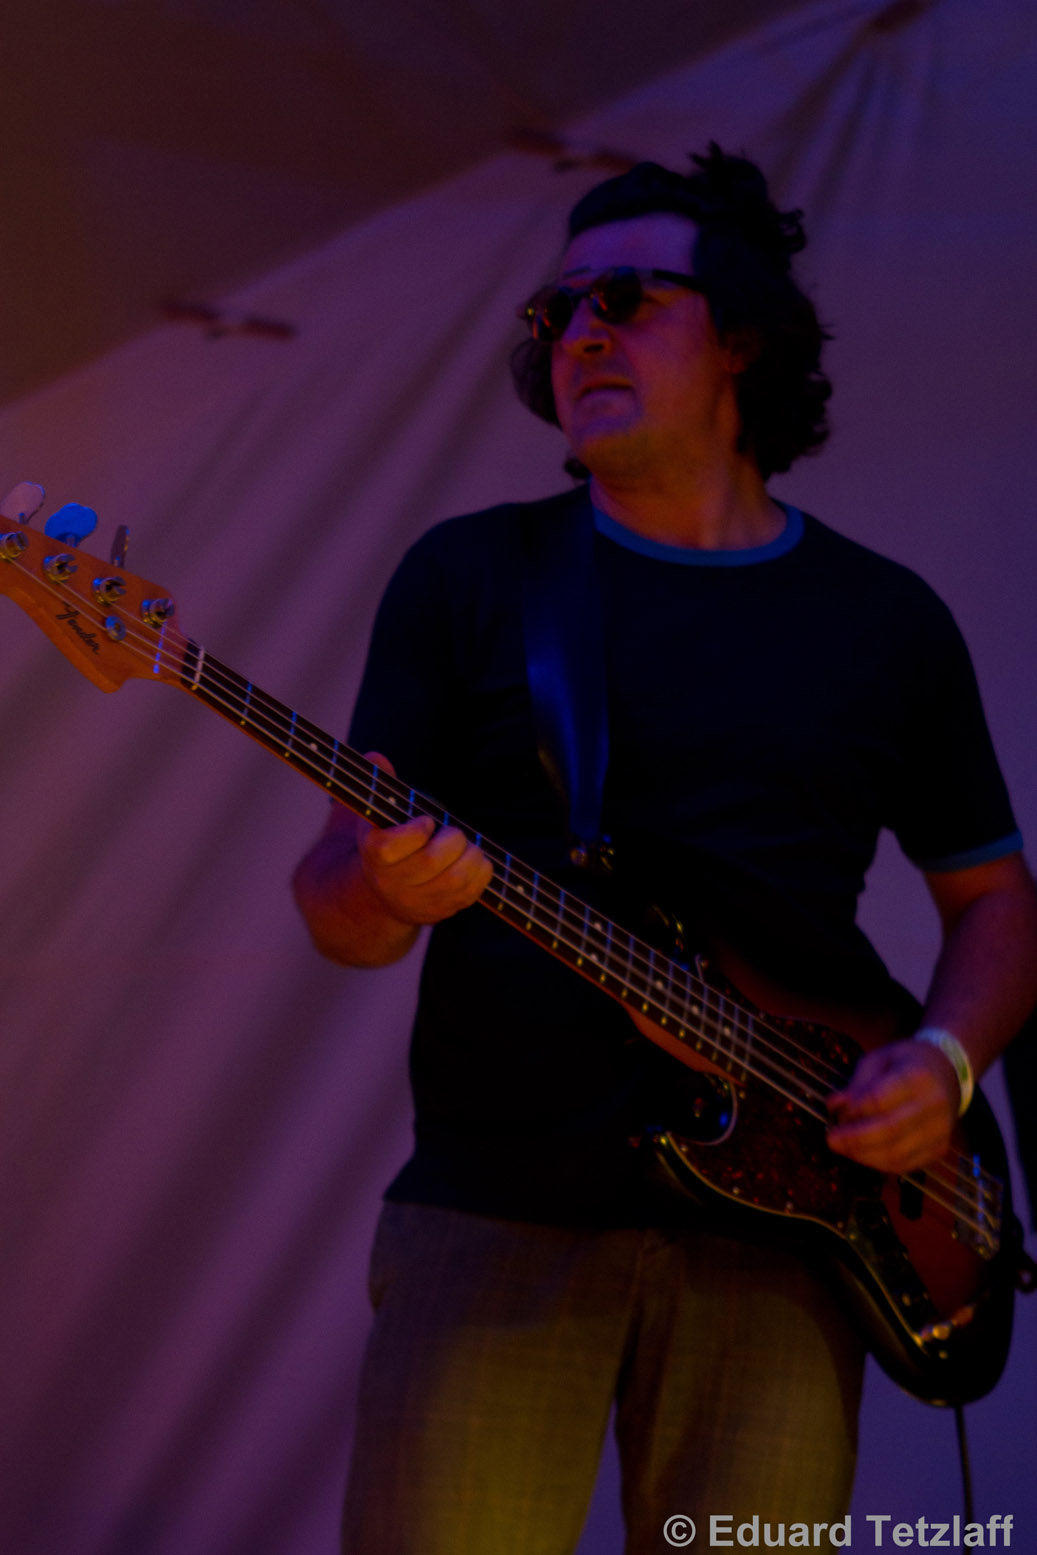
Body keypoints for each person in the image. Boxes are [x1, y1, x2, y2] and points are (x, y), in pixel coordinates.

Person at [293, 146, 1037, 1554]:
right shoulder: (471, 576)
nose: (578, 332)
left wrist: (943, 1066)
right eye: (555, 311)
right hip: (495, 1214)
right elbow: (337, 907)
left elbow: (994, 899)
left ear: (742, 335)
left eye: (625, 298)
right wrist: (381, 887)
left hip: (792, 1240)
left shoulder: (885, 621)